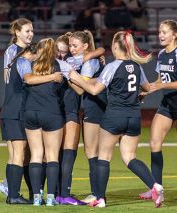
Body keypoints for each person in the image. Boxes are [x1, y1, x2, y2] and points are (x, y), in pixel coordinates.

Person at [69, 30, 164, 208]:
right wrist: (140, 95)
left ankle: (100, 199)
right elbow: (146, 87)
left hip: (114, 116)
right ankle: (155, 185)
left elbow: (95, 90)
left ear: (114, 46)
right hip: (134, 117)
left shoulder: (112, 66)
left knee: (103, 157)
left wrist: (76, 78)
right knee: (130, 158)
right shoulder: (137, 66)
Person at [139, 19, 177, 201]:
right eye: (159, 32)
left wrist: (162, 84)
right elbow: (158, 81)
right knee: (154, 143)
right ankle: (156, 188)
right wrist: (146, 91)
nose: (160, 35)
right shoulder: (162, 54)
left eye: (164, 32)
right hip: (167, 104)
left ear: (174, 35)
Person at [54, 31, 105, 205]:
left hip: (59, 110)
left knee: (55, 154)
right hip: (69, 111)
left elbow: (99, 49)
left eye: (70, 47)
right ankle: (64, 194)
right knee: (69, 154)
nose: (68, 51)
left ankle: (54, 193)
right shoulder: (66, 63)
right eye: (67, 47)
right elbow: (80, 90)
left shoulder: (71, 61)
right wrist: (71, 76)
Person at [24, 38, 64, 206]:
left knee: (36, 156)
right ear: (53, 50)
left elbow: (28, 80)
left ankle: (36, 197)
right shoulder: (56, 66)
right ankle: (50, 198)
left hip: (31, 112)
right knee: (52, 157)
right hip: (51, 112)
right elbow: (59, 90)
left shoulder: (32, 64)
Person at [0, 18, 34, 202]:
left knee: (13, 155)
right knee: (19, 155)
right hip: (18, 109)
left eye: (32, 31)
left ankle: (11, 193)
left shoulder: (12, 51)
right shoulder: (20, 53)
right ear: (17, 32)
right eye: (27, 31)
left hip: (8, 108)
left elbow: (7, 75)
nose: (31, 34)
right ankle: (13, 195)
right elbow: (28, 79)